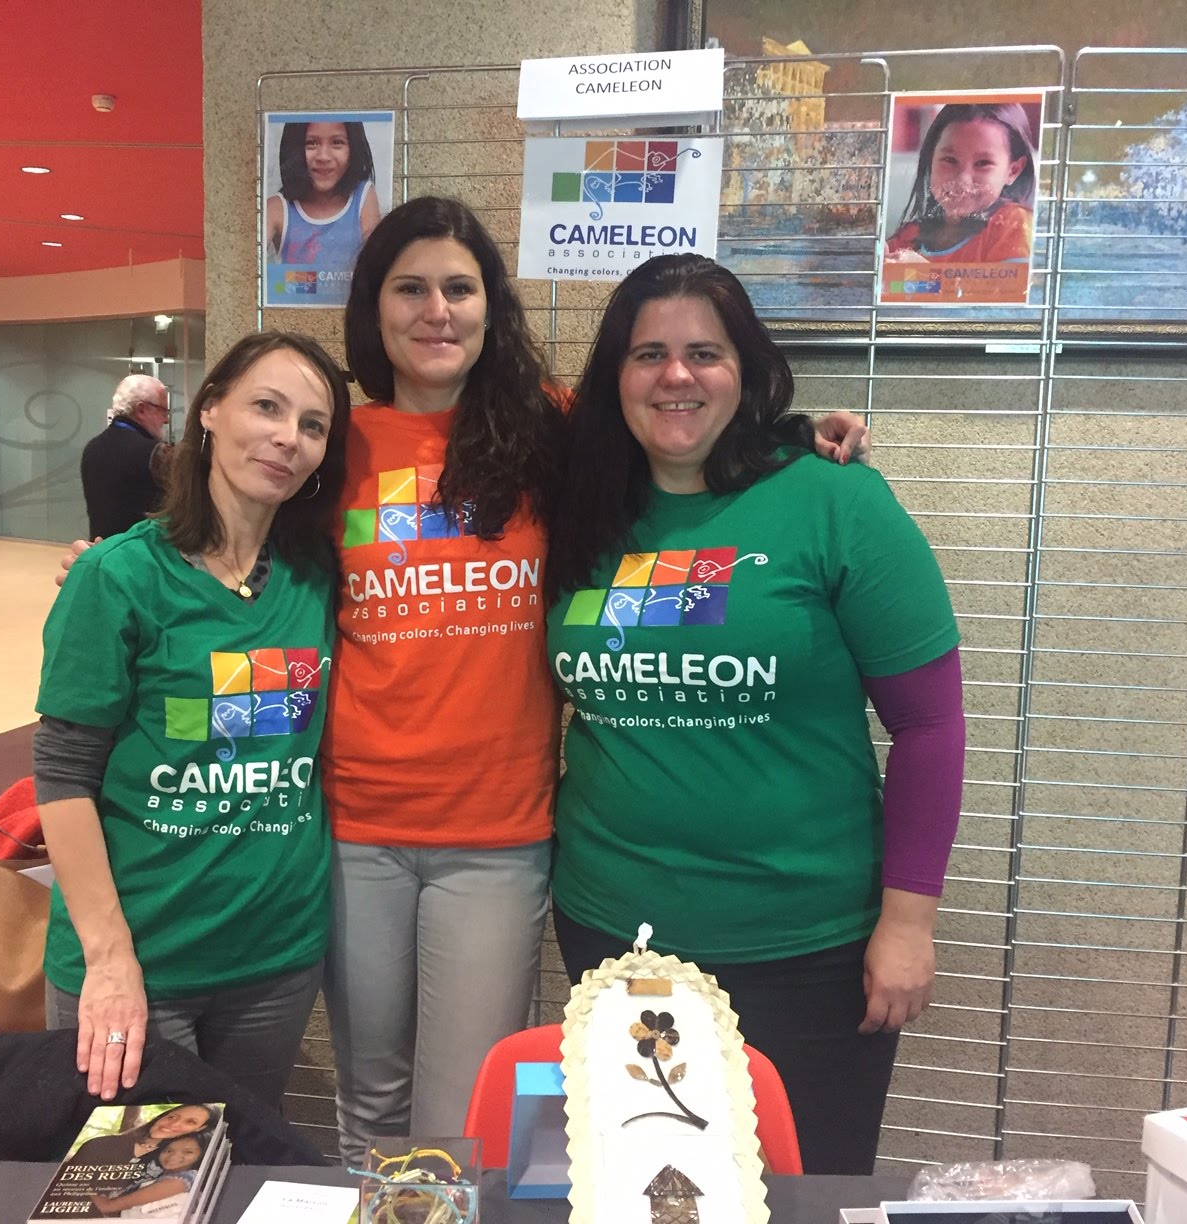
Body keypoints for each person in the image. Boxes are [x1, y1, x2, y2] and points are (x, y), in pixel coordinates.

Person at [321, 197, 873, 1164]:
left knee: (464, 1116)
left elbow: (676, 415)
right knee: (369, 1096)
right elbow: (234, 514)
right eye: (410, 288)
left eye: (461, 288)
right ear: (374, 309)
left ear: (494, 308)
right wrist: (113, 562)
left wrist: (791, 437)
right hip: (354, 823)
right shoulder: (338, 444)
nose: (437, 310)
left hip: (497, 831)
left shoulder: (547, 429)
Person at [543, 253, 966, 1176]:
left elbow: (932, 727)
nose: (677, 375)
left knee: (803, 1188)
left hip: (807, 949)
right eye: (648, 353)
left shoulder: (834, 499)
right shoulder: (579, 506)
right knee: (649, 1190)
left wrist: (909, 923)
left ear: (749, 369)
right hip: (617, 938)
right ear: (615, 375)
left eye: (706, 351)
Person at [35, 332, 350, 1111]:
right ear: (209, 410)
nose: (288, 437)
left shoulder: (316, 580)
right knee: (132, 1191)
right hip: (139, 963)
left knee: (237, 1167)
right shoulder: (117, 577)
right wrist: (109, 962)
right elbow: (63, 778)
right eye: (267, 407)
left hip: (273, 961)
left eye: (313, 425)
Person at [884, 102, 1037, 266]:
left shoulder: (1014, 225)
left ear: (1013, 171)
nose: (962, 179)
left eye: (983, 163)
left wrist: (926, 277)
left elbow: (1009, 291)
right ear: (931, 160)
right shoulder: (910, 237)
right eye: (950, 160)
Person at [265, 120, 381, 305]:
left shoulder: (364, 196)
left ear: (353, 148)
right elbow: (254, 276)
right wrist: (328, 281)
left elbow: (375, 270)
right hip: (294, 317)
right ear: (293, 149)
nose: (323, 156)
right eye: (311, 143)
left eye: (337, 142)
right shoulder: (277, 207)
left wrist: (304, 280)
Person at [81, 374, 172, 540]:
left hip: (104, 553)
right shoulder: (155, 453)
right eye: (163, 411)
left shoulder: (92, 447)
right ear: (141, 409)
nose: (166, 419)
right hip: (142, 557)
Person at [90, 1130, 209, 1218]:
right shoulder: (156, 1174)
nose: (174, 1156)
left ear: (202, 1155)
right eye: (168, 1150)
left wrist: (82, 1186)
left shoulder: (183, 1180)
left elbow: (108, 1206)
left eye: (188, 1152)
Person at [68, 1103, 215, 1164]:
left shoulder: (176, 1159)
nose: (174, 1124)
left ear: (200, 1129)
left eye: (190, 1122)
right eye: (172, 1116)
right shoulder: (101, 1144)